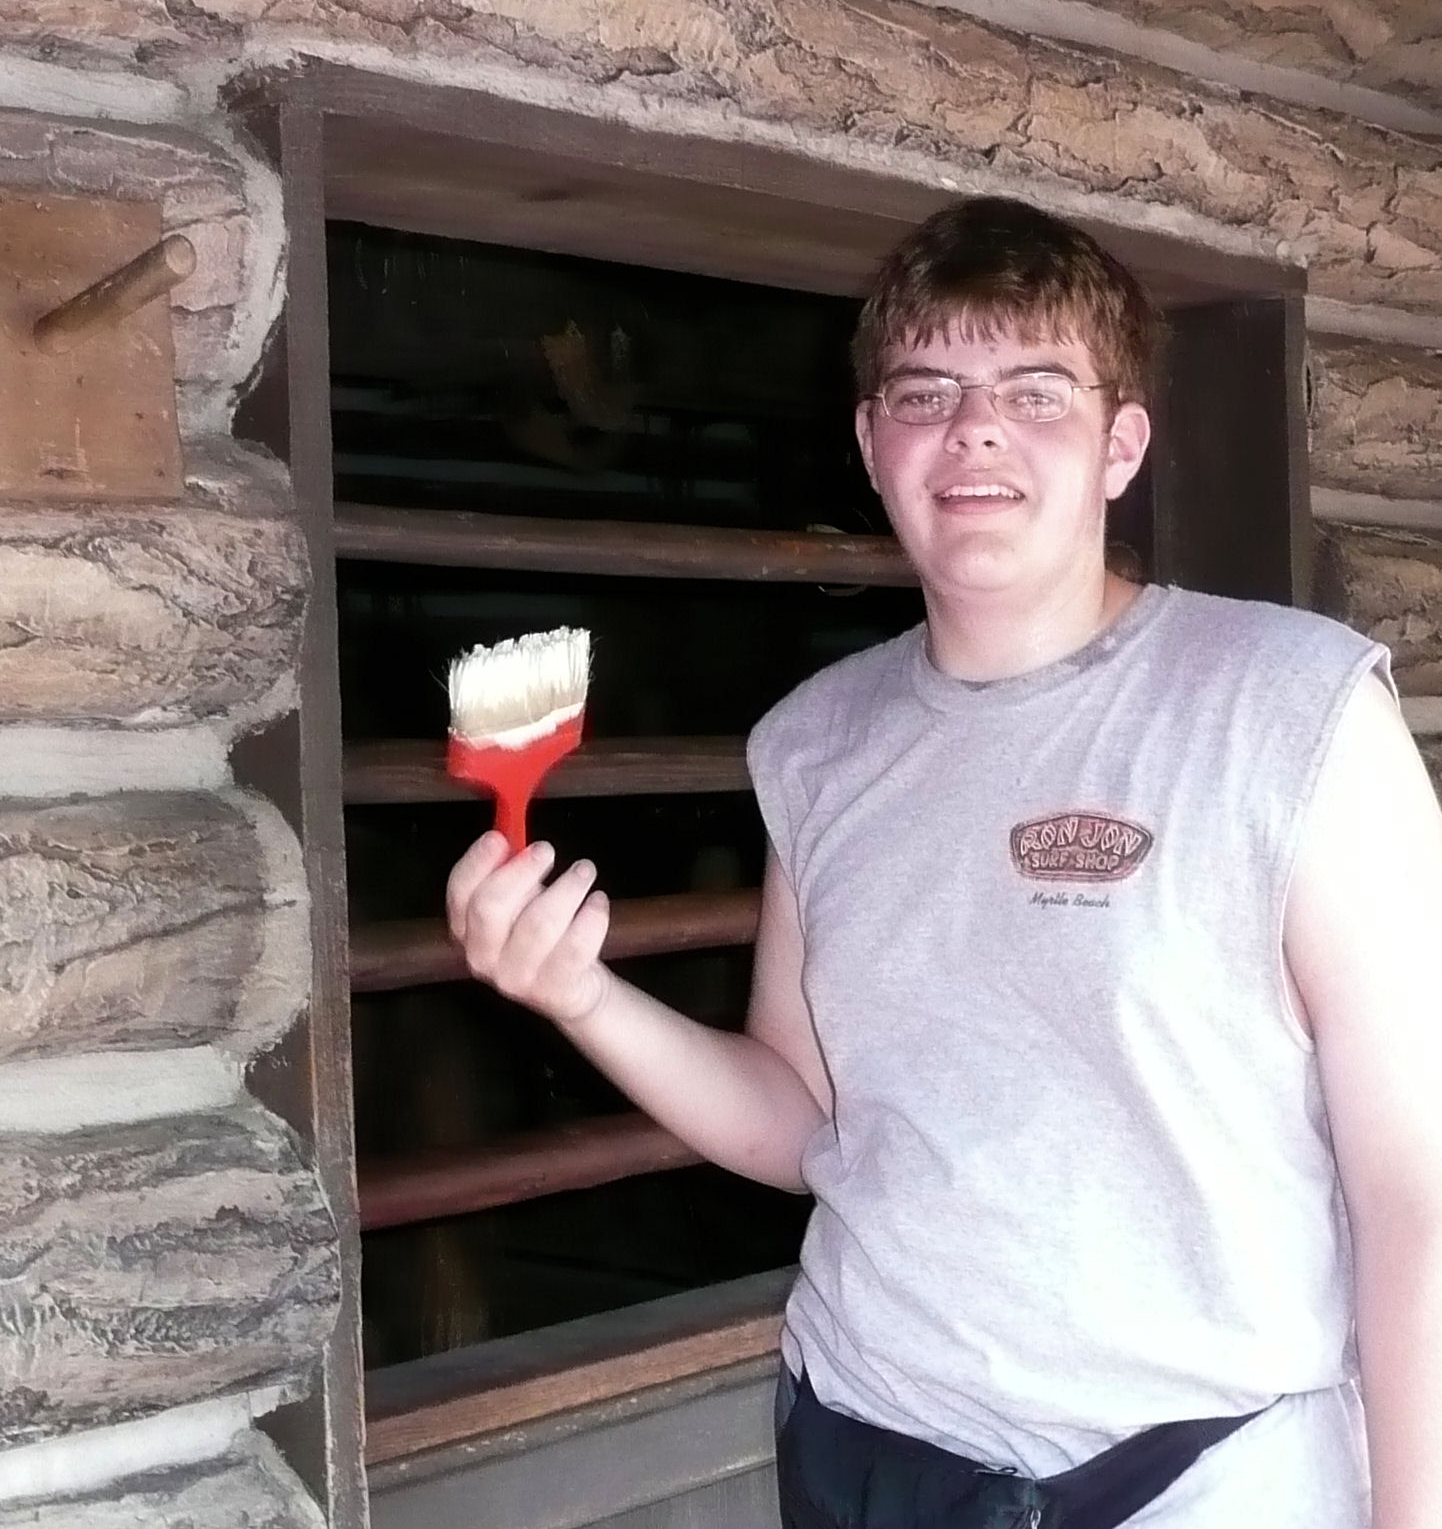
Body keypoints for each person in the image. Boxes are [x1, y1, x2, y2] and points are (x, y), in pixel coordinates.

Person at [444, 198, 1442, 1528]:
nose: (974, 426)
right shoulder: (816, 742)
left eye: (1035, 389)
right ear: (872, 444)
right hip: (867, 1443)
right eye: (925, 391)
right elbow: (805, 1120)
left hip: (1197, 1474)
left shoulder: (1291, 706)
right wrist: (580, 996)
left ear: (1117, 444)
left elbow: (1414, 1184)